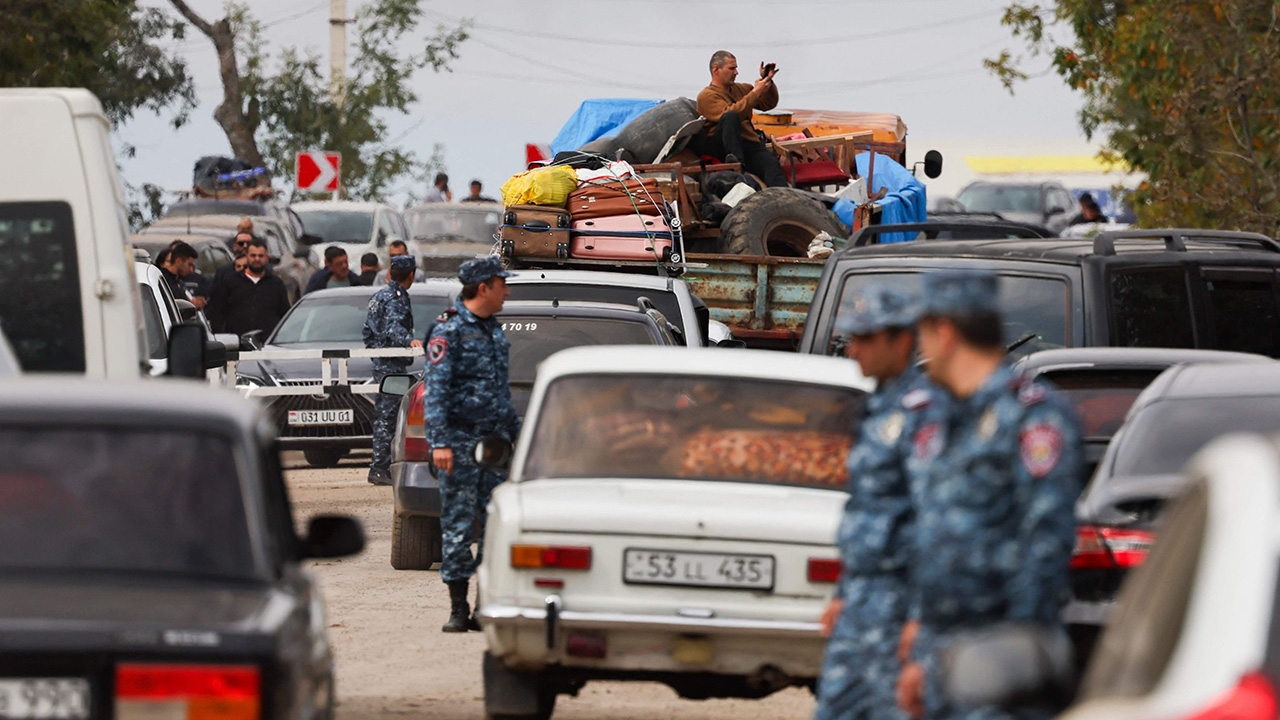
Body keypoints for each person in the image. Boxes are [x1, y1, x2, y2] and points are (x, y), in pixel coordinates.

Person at [896, 270, 1082, 720]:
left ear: (945, 333)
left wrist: (1009, 662)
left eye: (921, 333)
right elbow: (935, 536)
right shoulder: (944, 417)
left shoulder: (1032, 417)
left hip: (1002, 660)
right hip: (944, 650)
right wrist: (924, 643)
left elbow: (1045, 545)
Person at [814, 284, 936, 720]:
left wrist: (921, 619)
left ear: (901, 342)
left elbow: (935, 524)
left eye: (865, 339)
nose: (853, 351)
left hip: (900, 606)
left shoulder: (925, 416)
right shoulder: (877, 409)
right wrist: (843, 592)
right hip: (861, 605)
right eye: (853, 339)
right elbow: (865, 511)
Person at [423, 256, 520, 633]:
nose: (506, 291)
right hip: (461, 444)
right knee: (459, 525)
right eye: (502, 284)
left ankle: (487, 605)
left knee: (497, 526)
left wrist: (519, 434)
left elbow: (501, 393)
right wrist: (440, 443)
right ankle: (458, 608)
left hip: (496, 443)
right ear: (484, 288)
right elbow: (436, 391)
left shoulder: (494, 329)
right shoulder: (450, 330)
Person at [363, 254, 423, 486]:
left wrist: (376, 353)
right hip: (391, 364)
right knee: (388, 417)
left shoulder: (379, 295)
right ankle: (379, 468)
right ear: (411, 275)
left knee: (386, 415)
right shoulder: (396, 298)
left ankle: (382, 466)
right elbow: (392, 328)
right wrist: (409, 341)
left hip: (383, 362)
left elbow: (367, 332)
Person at [695, 50, 788, 188]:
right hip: (724, 147)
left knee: (771, 165)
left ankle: (785, 200)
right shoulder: (706, 96)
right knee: (730, 116)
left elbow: (768, 104)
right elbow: (732, 114)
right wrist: (755, 93)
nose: (736, 72)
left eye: (736, 68)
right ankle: (736, 166)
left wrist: (767, 81)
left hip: (749, 145)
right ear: (716, 70)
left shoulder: (740, 89)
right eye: (732, 68)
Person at [206, 237, 291, 339]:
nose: (257, 259)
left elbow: (285, 315)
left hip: (268, 345)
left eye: (260, 256)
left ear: (267, 258)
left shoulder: (276, 284)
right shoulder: (230, 282)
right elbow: (217, 313)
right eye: (253, 255)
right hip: (238, 344)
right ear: (247, 257)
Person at [158, 241, 200, 306]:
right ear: (179, 261)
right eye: (189, 265)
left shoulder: (178, 282)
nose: (191, 270)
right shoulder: (163, 282)